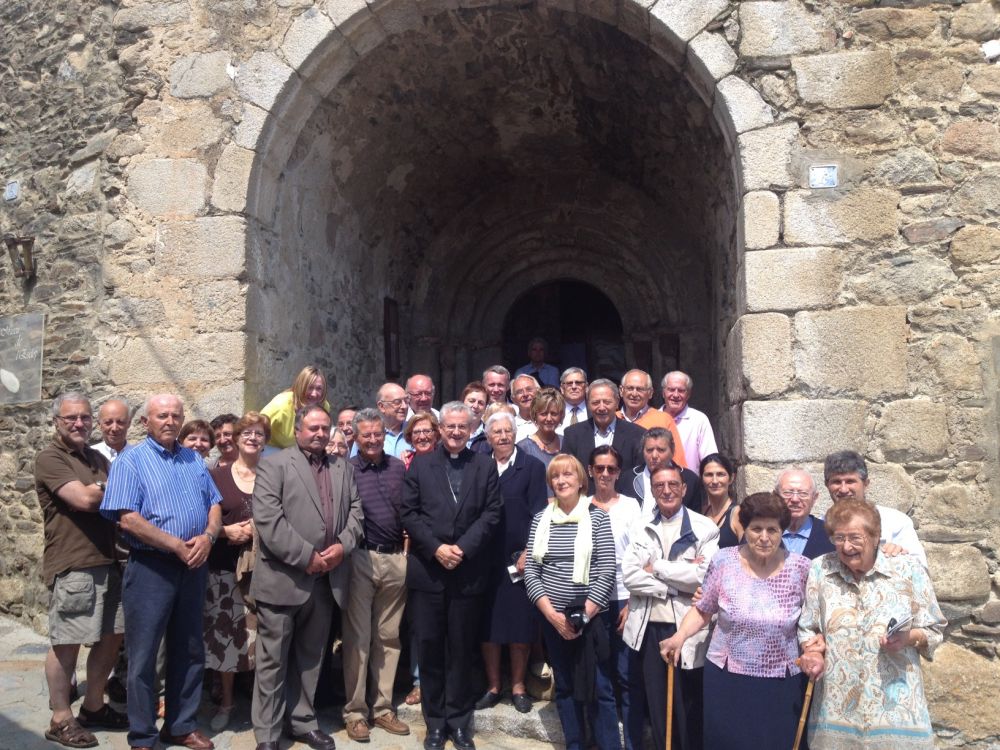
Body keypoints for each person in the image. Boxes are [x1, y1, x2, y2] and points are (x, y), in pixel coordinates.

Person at [100, 394, 222, 750]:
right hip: (152, 567)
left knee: (189, 649)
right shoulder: (131, 461)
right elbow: (127, 518)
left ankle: (181, 726)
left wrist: (209, 537)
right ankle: (142, 734)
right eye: (162, 415)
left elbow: (213, 503)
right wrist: (174, 545)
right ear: (146, 422)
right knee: (144, 655)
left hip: (194, 566)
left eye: (176, 415)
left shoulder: (192, 460)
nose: (170, 421)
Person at [659, 492, 815, 750]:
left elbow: (813, 620)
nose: (764, 537)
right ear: (745, 529)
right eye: (756, 529)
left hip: (781, 679)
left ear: (782, 531)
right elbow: (703, 609)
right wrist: (679, 637)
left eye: (772, 530)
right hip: (727, 676)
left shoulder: (801, 568)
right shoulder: (724, 560)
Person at [250, 405, 363, 750]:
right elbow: (269, 521)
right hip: (284, 578)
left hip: (326, 581)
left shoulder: (342, 467)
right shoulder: (274, 465)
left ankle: (301, 722)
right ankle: (267, 734)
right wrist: (307, 557)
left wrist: (342, 547)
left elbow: (356, 513)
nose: (319, 433)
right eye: (312, 427)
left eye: (324, 428)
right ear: (298, 430)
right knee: (272, 661)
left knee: (311, 658)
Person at [797, 499, 946, 749]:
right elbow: (808, 627)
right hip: (836, 713)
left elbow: (934, 628)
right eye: (839, 538)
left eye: (855, 537)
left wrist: (908, 638)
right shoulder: (820, 569)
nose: (846, 546)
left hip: (897, 712)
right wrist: (812, 651)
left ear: (876, 537)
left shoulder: (908, 569)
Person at [400, 402, 503, 750]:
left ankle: (459, 723)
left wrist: (462, 548)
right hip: (429, 571)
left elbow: (492, 513)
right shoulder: (421, 464)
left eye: (463, 427)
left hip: (467, 571)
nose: (456, 432)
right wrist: (436, 548)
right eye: (450, 426)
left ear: (472, 429)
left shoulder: (485, 465)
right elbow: (409, 512)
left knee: (461, 650)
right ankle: (435, 724)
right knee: (429, 648)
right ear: (440, 429)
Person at [37, 392, 127, 749]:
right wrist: (110, 487)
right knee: (67, 642)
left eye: (85, 418)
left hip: (109, 560)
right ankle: (61, 718)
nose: (79, 424)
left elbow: (112, 498)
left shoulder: (95, 458)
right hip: (73, 563)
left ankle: (93, 706)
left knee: (112, 637)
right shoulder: (50, 458)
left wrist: (105, 487)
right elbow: (85, 500)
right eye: (70, 418)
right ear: (57, 422)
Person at [523, 454, 618, 750]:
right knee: (564, 686)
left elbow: (606, 569)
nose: (562, 481)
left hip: (591, 619)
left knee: (600, 687)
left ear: (580, 480)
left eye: (568, 475)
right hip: (553, 620)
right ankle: (575, 744)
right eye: (556, 476)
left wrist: (583, 616)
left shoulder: (598, 516)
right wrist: (553, 616)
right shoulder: (541, 519)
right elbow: (532, 572)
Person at [622, 463, 718, 750]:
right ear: (652, 491)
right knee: (658, 703)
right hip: (649, 626)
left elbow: (704, 576)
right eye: (659, 486)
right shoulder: (640, 527)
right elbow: (630, 575)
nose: (667, 491)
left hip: (688, 628)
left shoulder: (705, 528)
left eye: (673, 484)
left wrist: (656, 567)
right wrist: (676, 583)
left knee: (687, 704)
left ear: (684, 488)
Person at [342, 409, 411, 742]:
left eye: (377, 434)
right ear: (355, 437)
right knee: (358, 637)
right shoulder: (346, 470)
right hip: (361, 557)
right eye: (365, 435)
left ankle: (382, 708)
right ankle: (355, 713)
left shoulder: (397, 467)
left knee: (388, 636)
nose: (372, 440)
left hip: (396, 558)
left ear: (385, 435)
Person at [477, 412, 548, 714]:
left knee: (519, 624)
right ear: (488, 437)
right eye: (497, 432)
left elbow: (539, 513)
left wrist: (528, 551)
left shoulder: (530, 467)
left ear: (516, 434)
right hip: (483, 558)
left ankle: (518, 686)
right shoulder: (479, 465)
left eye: (508, 431)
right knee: (488, 625)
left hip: (518, 558)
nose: (504, 436)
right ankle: (494, 686)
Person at [204, 412, 268, 731]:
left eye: (259, 434)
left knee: (262, 642)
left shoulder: (273, 475)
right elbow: (207, 518)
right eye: (247, 433)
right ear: (237, 439)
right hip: (224, 570)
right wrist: (227, 532)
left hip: (263, 572)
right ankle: (227, 703)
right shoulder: (218, 476)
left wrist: (256, 529)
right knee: (226, 640)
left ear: (266, 441)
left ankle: (262, 708)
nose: (253, 438)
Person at [587, 446, 643, 750]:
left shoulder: (632, 507)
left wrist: (633, 601)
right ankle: (607, 742)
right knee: (600, 677)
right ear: (590, 471)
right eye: (599, 468)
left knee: (626, 674)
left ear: (619, 473)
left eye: (611, 469)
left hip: (624, 597)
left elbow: (641, 554)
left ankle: (633, 743)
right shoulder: (581, 507)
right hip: (593, 600)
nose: (605, 474)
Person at [823, 450, 927, 566]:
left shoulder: (896, 521)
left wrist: (901, 555)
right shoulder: (820, 526)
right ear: (827, 485)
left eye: (850, 481)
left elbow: (920, 570)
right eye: (836, 482)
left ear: (866, 484)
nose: (843, 489)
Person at [562, 379, 644, 496]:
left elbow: (639, 477)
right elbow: (567, 474)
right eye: (595, 402)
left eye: (607, 402)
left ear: (617, 402)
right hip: (584, 505)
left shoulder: (637, 434)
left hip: (625, 505)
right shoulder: (573, 434)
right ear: (588, 404)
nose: (601, 407)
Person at [617, 369, 686, 467]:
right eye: (630, 388)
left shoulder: (663, 419)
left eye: (640, 389)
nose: (634, 394)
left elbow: (678, 462)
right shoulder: (613, 419)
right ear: (621, 391)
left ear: (650, 393)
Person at [631, 428, 702, 518]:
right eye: (649, 450)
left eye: (661, 450)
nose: (654, 456)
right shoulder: (628, 479)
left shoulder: (690, 479)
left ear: (672, 452)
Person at [260, 365, 330, 449]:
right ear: (301, 387)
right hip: (273, 449)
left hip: (302, 451)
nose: (314, 394)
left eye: (319, 389)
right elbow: (257, 427)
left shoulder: (323, 406)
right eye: (310, 388)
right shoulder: (281, 404)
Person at [660, 372, 718, 472]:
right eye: (671, 390)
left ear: (688, 394)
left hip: (690, 484)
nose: (676, 395)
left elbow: (709, 459)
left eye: (681, 391)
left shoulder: (699, 420)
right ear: (663, 393)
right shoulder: (653, 418)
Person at [777, 468, 834, 559]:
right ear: (775, 495)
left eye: (803, 493)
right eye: (788, 492)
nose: (795, 499)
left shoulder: (830, 534)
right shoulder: (761, 533)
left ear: (814, 498)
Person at [698, 453, 743, 548]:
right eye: (709, 475)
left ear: (731, 478)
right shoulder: (701, 513)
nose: (714, 481)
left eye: (720, 474)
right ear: (702, 479)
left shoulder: (738, 514)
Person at [516, 387, 565, 472]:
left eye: (554, 414)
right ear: (535, 415)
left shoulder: (566, 443)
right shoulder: (524, 448)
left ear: (561, 416)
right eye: (544, 414)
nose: (549, 419)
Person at [375, 382, 413, 459]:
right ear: (382, 406)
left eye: (406, 401)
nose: (404, 406)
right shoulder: (368, 434)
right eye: (397, 402)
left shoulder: (415, 431)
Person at [91, 397, 131, 463]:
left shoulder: (139, 457)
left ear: (128, 423)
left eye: (120, 422)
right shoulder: (89, 456)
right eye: (108, 422)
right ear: (99, 425)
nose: (114, 428)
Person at [510, 373, 540, 442]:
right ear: (513, 399)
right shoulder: (510, 426)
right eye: (519, 392)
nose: (525, 394)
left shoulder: (550, 421)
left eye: (529, 389)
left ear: (539, 392)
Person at [558, 367, 588, 432]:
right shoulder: (554, 410)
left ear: (586, 387)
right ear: (562, 389)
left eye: (578, 383)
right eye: (569, 383)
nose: (574, 387)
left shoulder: (594, 411)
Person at [461, 382, 488, 451]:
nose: (475, 406)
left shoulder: (490, 435)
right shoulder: (450, 431)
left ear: (485, 408)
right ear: (462, 403)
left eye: (481, 403)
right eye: (472, 401)